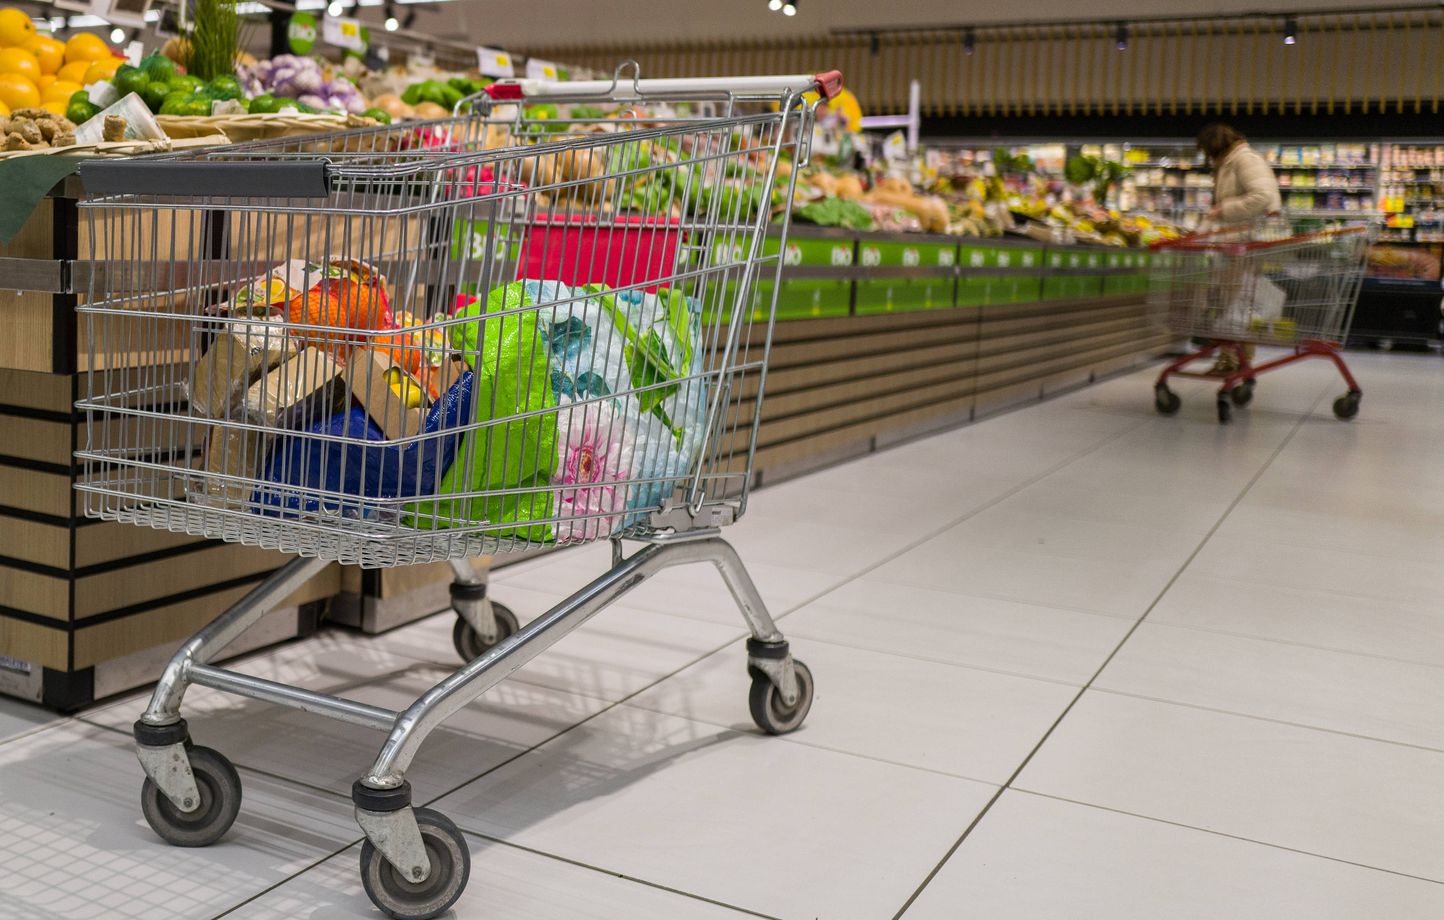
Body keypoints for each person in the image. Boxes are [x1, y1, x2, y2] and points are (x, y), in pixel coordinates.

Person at [1196, 123, 1282, 373]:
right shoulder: (1231, 163)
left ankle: (1232, 359)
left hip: (1244, 245)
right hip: (1236, 244)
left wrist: (1223, 209)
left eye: (1207, 152)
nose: (1208, 159)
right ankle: (1235, 358)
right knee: (1234, 304)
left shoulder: (1244, 160)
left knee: (1234, 304)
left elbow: (1262, 197)